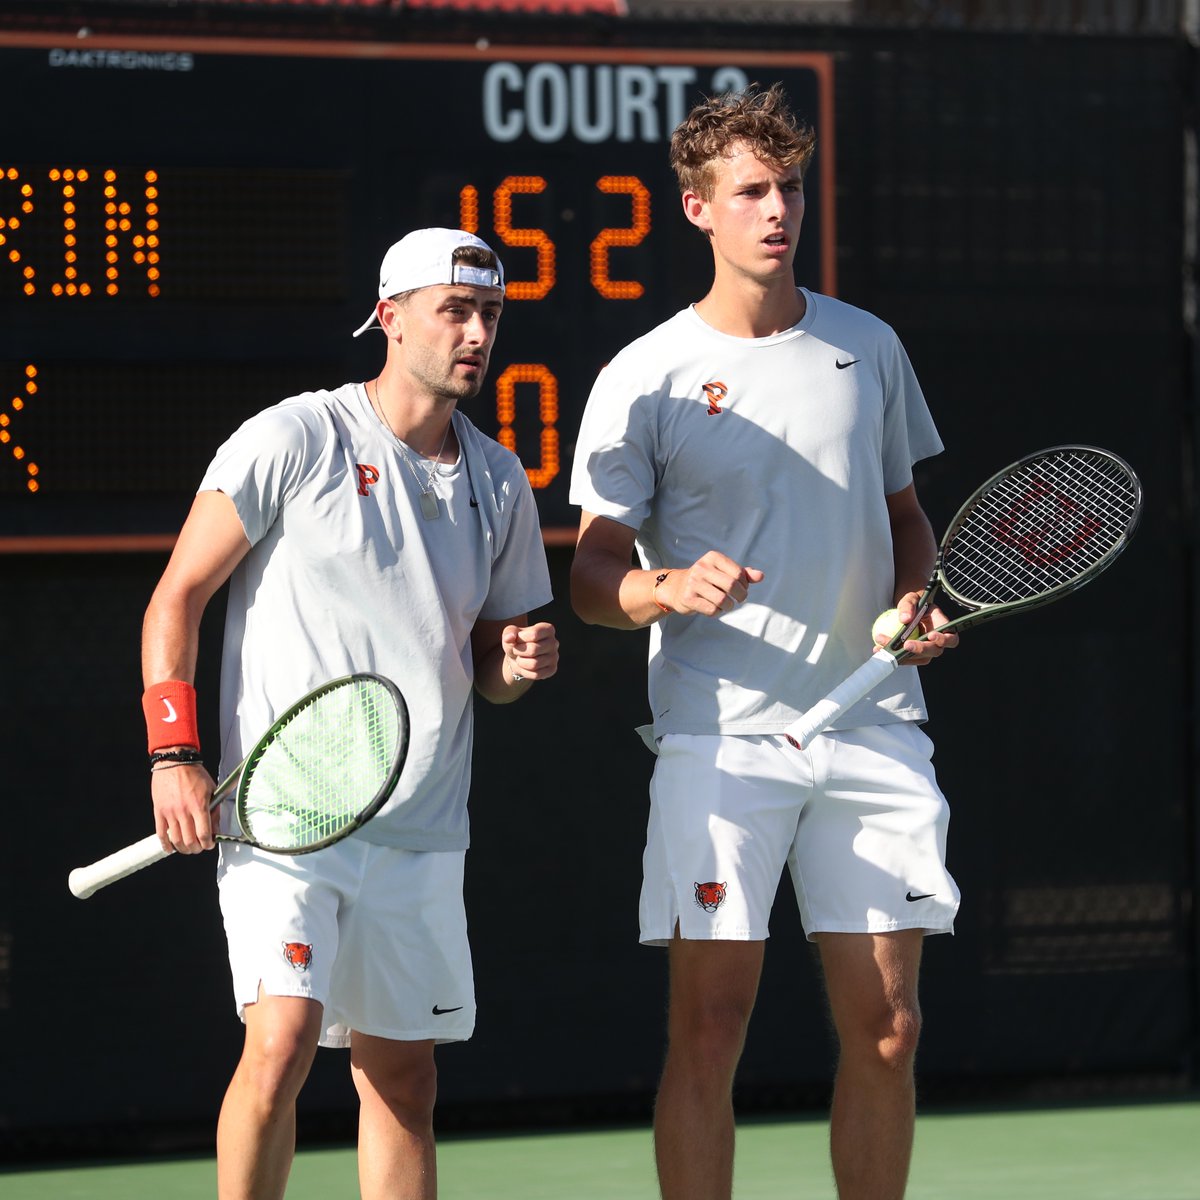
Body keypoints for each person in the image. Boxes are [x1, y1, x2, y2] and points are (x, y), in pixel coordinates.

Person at [568, 84, 959, 1200]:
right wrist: (663, 586)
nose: (775, 209)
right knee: (711, 1030)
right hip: (722, 741)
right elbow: (592, 576)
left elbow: (903, 519)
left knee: (889, 1028)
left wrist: (914, 602)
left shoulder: (866, 348)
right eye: (749, 191)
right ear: (696, 208)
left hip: (875, 725)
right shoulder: (642, 376)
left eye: (787, 187)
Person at [141, 227, 558, 1200]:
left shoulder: (500, 480)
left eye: (489, 315)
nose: (476, 334)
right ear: (389, 316)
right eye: (455, 311)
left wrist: (515, 662)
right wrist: (174, 755)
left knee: (404, 1080)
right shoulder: (295, 438)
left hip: (419, 831)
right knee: (281, 1041)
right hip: (287, 820)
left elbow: (491, 672)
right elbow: (177, 597)